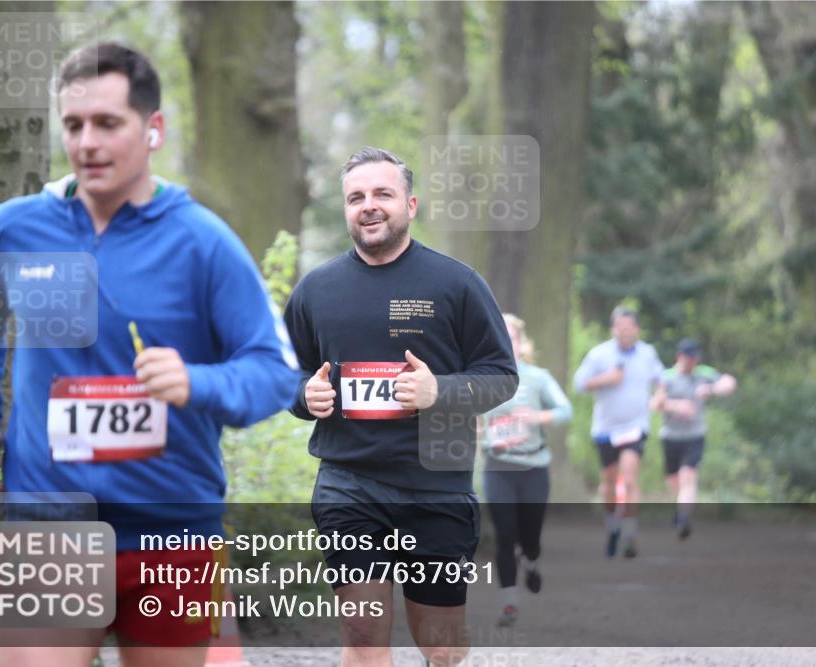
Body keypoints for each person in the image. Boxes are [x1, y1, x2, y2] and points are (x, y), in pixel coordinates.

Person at [0, 42, 300, 667]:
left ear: (153, 129)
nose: (87, 142)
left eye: (108, 124)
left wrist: (197, 382)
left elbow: (275, 372)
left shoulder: (202, 242)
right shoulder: (15, 229)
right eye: (74, 125)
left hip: (172, 534)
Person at [283, 147, 518, 667]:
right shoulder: (315, 290)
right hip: (349, 480)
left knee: (440, 643)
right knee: (364, 636)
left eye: (382, 194)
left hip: (436, 481)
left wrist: (441, 392)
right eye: (356, 197)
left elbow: (501, 376)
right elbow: (283, 375)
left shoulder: (457, 283)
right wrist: (304, 396)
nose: (369, 206)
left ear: (410, 205)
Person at [480, 314, 571, 627]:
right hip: (498, 468)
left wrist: (536, 417)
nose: (506, 343)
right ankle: (509, 602)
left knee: (530, 535)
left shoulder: (538, 377)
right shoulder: (481, 378)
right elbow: (467, 415)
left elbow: (565, 410)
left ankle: (531, 561)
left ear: (521, 343)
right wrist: (476, 429)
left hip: (533, 467)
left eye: (512, 337)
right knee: (504, 535)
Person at [573, 306, 664, 559]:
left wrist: (660, 396)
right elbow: (579, 384)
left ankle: (630, 532)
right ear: (613, 329)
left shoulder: (647, 353)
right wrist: (607, 379)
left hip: (635, 426)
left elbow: (661, 380)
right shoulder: (599, 355)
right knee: (610, 482)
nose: (625, 332)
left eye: (629, 328)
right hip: (606, 429)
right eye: (620, 328)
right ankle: (613, 524)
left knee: (631, 476)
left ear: (637, 329)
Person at [650, 338, 736, 538]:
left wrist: (711, 389)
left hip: (694, 435)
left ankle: (683, 518)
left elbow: (729, 383)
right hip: (670, 436)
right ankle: (681, 509)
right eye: (689, 358)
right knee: (673, 480)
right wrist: (676, 406)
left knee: (688, 476)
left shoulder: (703, 373)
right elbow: (655, 404)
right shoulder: (666, 377)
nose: (692, 362)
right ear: (679, 357)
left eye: (695, 358)